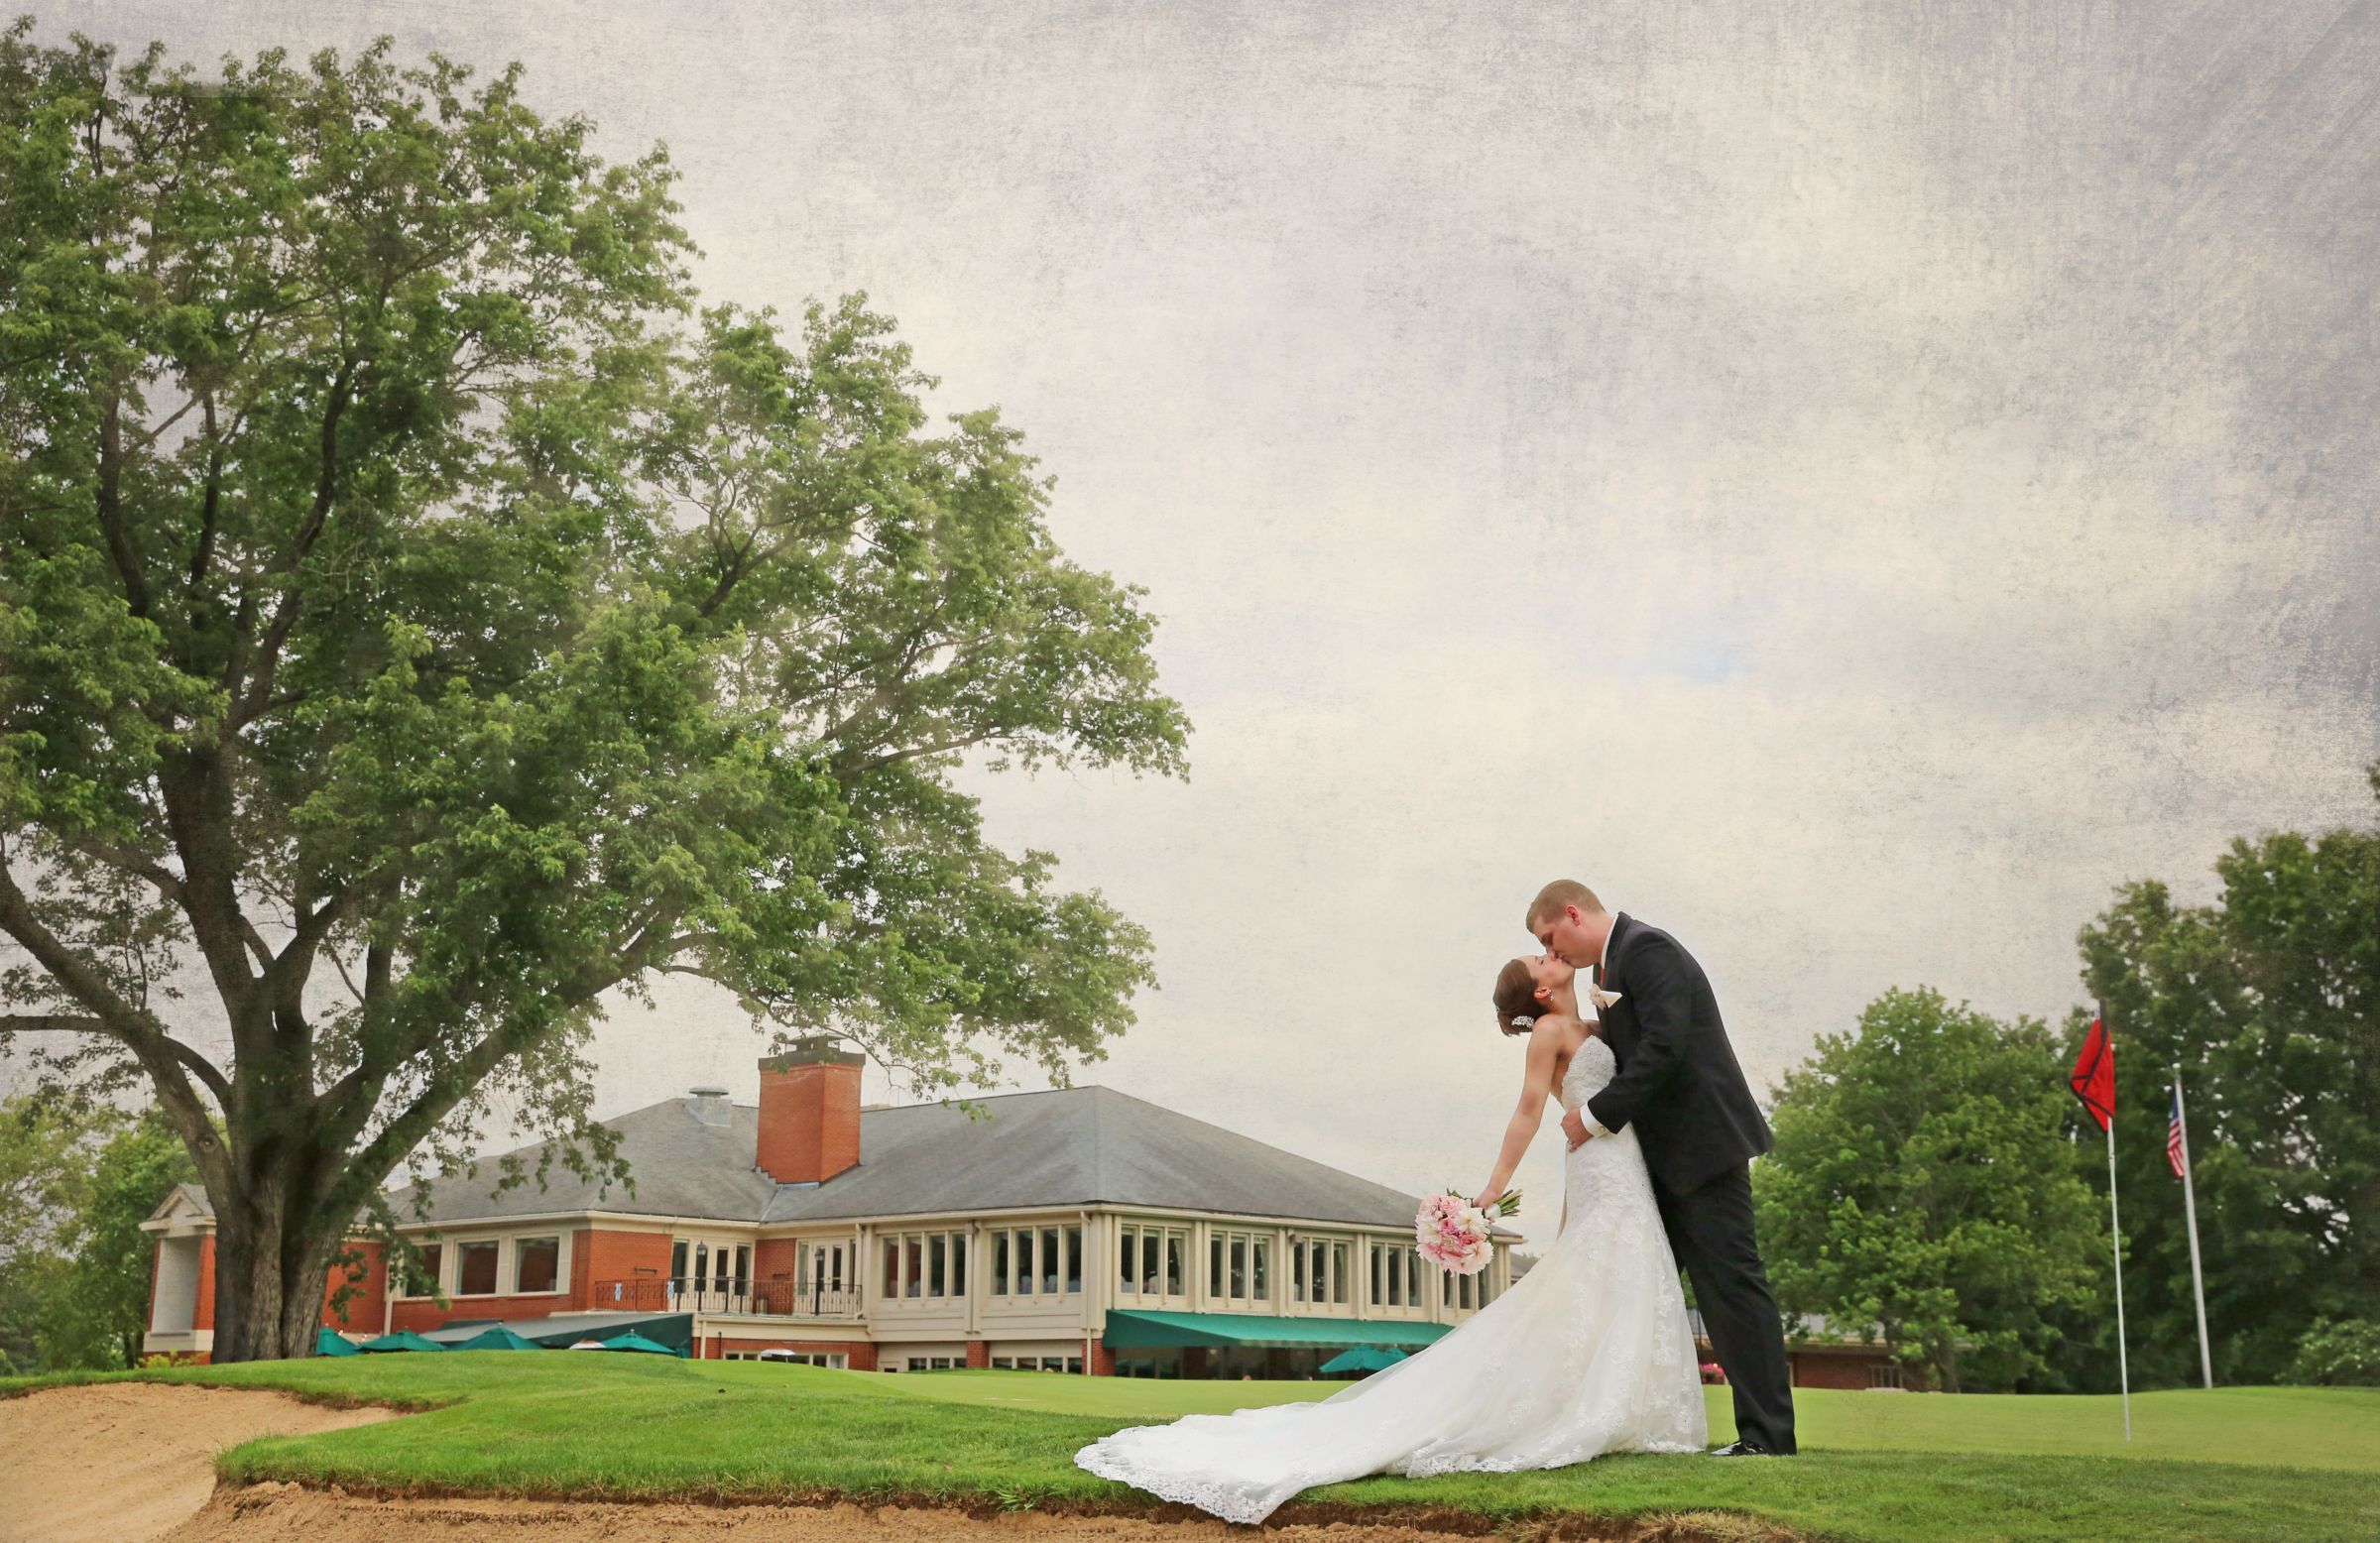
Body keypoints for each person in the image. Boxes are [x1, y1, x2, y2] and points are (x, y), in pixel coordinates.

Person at [1071, 952, 1706, 1524]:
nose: (1551, 956)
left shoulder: (1595, 1023)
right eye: (1540, 959)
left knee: (1621, 1272)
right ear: (1540, 993)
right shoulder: (1548, 1033)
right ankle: (1589, 1411)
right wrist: (1490, 1191)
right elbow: (1528, 1110)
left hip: (1621, 1161)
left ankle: (1622, 1408)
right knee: (1605, 1265)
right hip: (1597, 1162)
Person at [1528, 880, 1797, 1457]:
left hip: (1703, 1150)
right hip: (1655, 1164)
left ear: (1573, 914)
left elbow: (1664, 1048)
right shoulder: (1610, 968)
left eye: (1551, 938)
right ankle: (1620, 1423)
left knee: (1732, 1288)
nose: (1553, 953)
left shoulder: (1647, 949)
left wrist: (1593, 1116)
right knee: (1639, 1293)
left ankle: (1769, 1438)